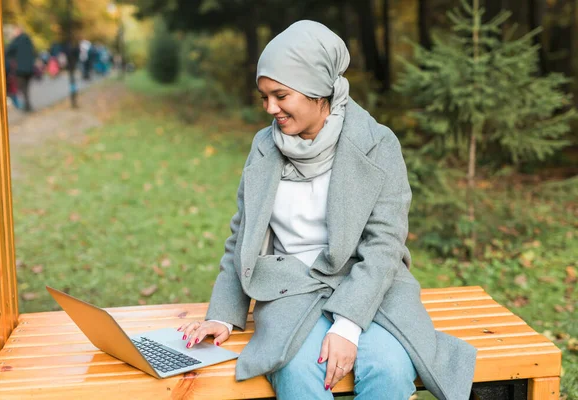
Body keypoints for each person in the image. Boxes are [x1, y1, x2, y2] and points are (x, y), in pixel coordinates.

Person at [178, 21, 477, 400]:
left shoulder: (378, 144)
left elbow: (384, 245)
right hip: (289, 289)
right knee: (299, 373)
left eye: (281, 95)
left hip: (369, 286)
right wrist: (223, 314)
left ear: (318, 91)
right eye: (264, 97)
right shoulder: (264, 148)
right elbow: (242, 236)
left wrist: (348, 325)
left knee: (389, 369)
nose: (271, 109)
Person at [5, 25, 36, 112]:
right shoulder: (28, 39)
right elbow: (34, 52)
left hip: (20, 69)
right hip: (29, 68)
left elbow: (8, 51)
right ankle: (28, 105)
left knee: (21, 87)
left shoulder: (17, 40)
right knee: (26, 87)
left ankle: (27, 105)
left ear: (18, 31)